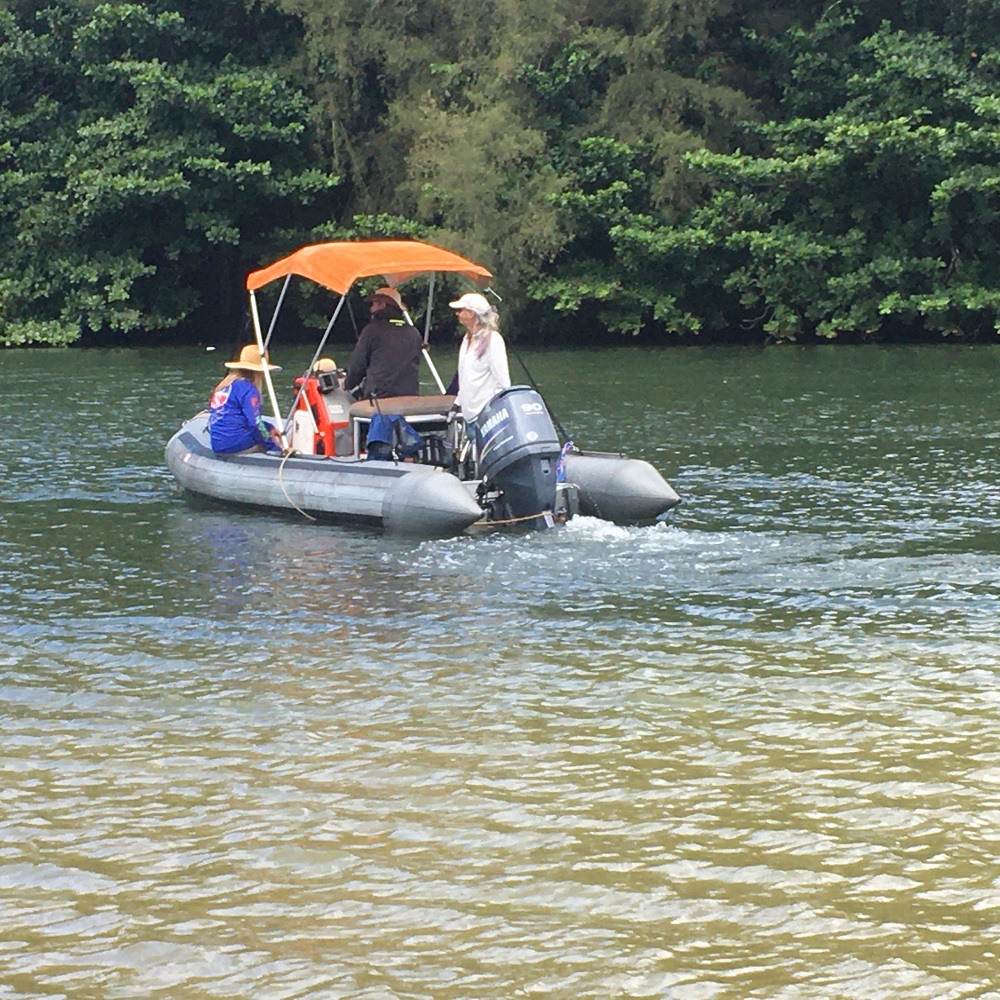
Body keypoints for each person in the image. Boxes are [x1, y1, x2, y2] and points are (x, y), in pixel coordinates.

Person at [344, 287, 422, 399]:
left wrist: (347, 384)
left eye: (374, 304)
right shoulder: (414, 333)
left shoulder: (372, 330)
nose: (371, 309)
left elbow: (358, 364)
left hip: (379, 399)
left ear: (382, 305)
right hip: (410, 398)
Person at [450, 292, 511, 428]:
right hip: (469, 416)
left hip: (486, 418)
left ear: (472, 313)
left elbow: (503, 383)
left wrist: (492, 413)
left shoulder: (493, 340)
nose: (457, 314)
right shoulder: (466, 339)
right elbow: (465, 378)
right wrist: (457, 403)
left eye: (460, 310)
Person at [208, 344, 283, 454]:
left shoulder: (225, 386)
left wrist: (269, 427)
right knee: (273, 443)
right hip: (236, 444)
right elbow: (255, 424)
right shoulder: (248, 390)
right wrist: (275, 448)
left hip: (219, 444)